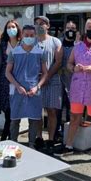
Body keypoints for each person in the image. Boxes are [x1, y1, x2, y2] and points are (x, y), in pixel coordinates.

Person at [54, 18, 91, 167]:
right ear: (84, 29)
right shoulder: (78, 46)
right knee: (75, 117)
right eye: (89, 27)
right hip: (78, 88)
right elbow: (69, 64)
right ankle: (68, 146)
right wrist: (73, 68)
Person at [6, 25, 48, 147]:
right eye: (26, 35)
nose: (29, 37)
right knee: (15, 119)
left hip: (34, 91)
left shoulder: (40, 51)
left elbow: (45, 73)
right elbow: (7, 72)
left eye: (31, 35)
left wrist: (37, 87)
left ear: (35, 36)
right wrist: (18, 86)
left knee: (34, 119)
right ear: (22, 36)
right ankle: (12, 144)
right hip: (16, 91)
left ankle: (31, 144)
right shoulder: (14, 52)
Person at [34, 15, 63, 153]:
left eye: (42, 23)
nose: (39, 26)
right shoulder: (31, 41)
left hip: (53, 80)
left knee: (51, 111)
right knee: (37, 111)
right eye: (37, 23)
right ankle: (39, 137)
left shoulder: (56, 42)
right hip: (35, 82)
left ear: (48, 26)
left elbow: (58, 62)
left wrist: (46, 77)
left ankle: (51, 139)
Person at [56, 20, 80, 142]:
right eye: (68, 28)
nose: (70, 30)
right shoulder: (58, 43)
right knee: (58, 106)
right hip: (59, 79)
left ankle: (70, 133)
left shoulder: (78, 45)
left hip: (74, 81)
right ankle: (58, 132)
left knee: (72, 107)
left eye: (73, 28)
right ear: (64, 29)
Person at [0, 19, 22, 141]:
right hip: (5, 79)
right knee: (8, 110)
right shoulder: (3, 43)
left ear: (17, 29)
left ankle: (9, 137)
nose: (11, 29)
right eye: (8, 27)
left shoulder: (23, 43)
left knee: (15, 109)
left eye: (13, 27)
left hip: (19, 79)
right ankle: (5, 137)